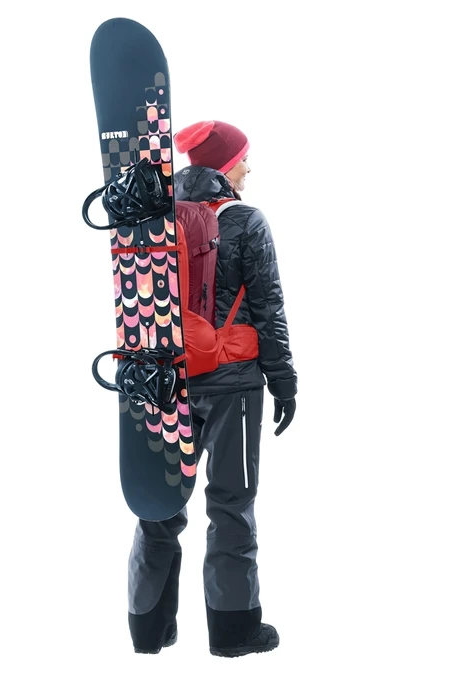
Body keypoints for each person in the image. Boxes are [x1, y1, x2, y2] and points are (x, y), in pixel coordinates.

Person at [127, 120, 298, 657]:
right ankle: (233, 632)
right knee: (231, 505)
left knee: (158, 504)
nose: (249, 168)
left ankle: (148, 630)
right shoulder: (246, 221)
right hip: (234, 386)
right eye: (243, 158)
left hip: (166, 380)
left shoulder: (154, 218)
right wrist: (284, 380)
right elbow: (268, 306)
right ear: (225, 165)